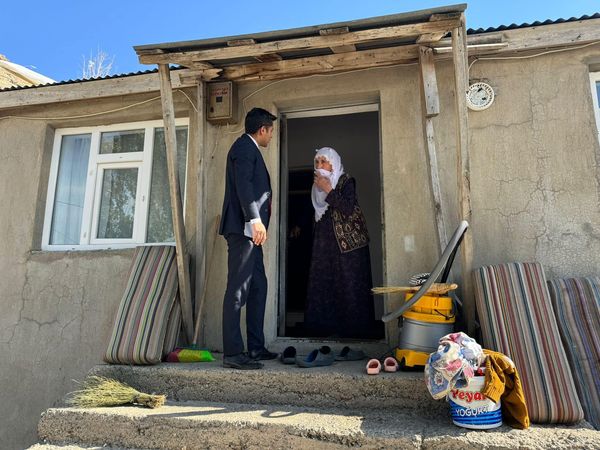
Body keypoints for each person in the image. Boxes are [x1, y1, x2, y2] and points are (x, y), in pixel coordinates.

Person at [219, 107, 278, 370]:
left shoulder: (249, 149)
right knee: (238, 289)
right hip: (243, 230)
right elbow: (244, 184)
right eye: (271, 131)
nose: (272, 137)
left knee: (258, 287)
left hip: (251, 234)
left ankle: (255, 347)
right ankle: (233, 353)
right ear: (262, 129)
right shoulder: (244, 148)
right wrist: (255, 220)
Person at [304, 147, 382, 339]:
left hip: (348, 246)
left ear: (334, 163)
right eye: (317, 162)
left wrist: (328, 189)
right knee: (323, 283)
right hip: (325, 245)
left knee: (349, 285)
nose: (320, 166)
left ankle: (354, 332)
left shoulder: (346, 181)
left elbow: (347, 208)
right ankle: (324, 330)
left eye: (324, 162)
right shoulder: (316, 188)